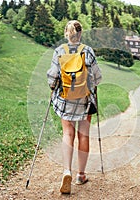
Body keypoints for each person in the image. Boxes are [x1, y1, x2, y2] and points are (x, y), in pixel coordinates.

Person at [47, 20, 102, 194]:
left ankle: (66, 171)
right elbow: (97, 77)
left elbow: (52, 78)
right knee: (83, 135)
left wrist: (53, 87)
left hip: (66, 100)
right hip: (85, 100)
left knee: (67, 134)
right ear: (80, 34)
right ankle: (81, 175)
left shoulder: (59, 51)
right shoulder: (88, 51)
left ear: (66, 34)